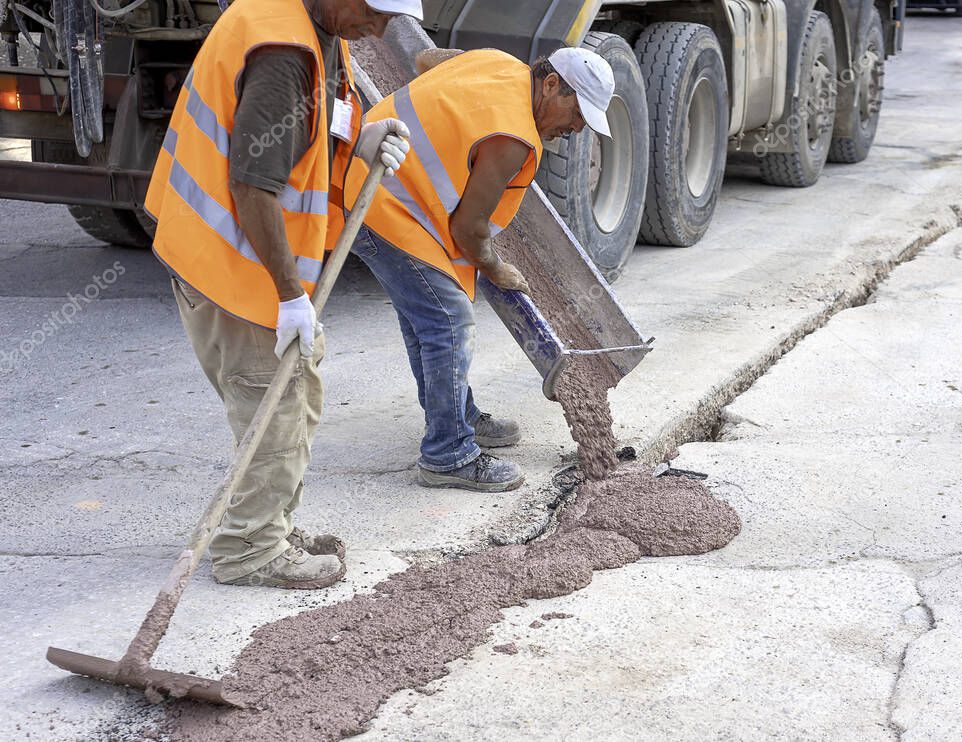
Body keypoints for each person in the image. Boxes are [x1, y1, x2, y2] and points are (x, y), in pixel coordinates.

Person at [143, 0, 421, 589]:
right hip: (235, 269)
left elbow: (310, 128)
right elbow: (252, 185)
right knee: (276, 405)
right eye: (377, 14)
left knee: (296, 389)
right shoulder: (282, 53)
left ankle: (269, 524)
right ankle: (250, 551)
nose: (381, 29)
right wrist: (290, 295)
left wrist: (359, 141)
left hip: (233, 262)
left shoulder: (315, 28)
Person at [345, 46, 614, 492]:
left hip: (376, 185)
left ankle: (456, 414)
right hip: (383, 203)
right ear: (550, 84)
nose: (577, 127)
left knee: (426, 318)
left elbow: (427, 59)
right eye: (578, 111)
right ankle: (448, 454)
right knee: (447, 320)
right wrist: (496, 268)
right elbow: (468, 229)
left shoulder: (498, 63)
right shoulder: (511, 137)